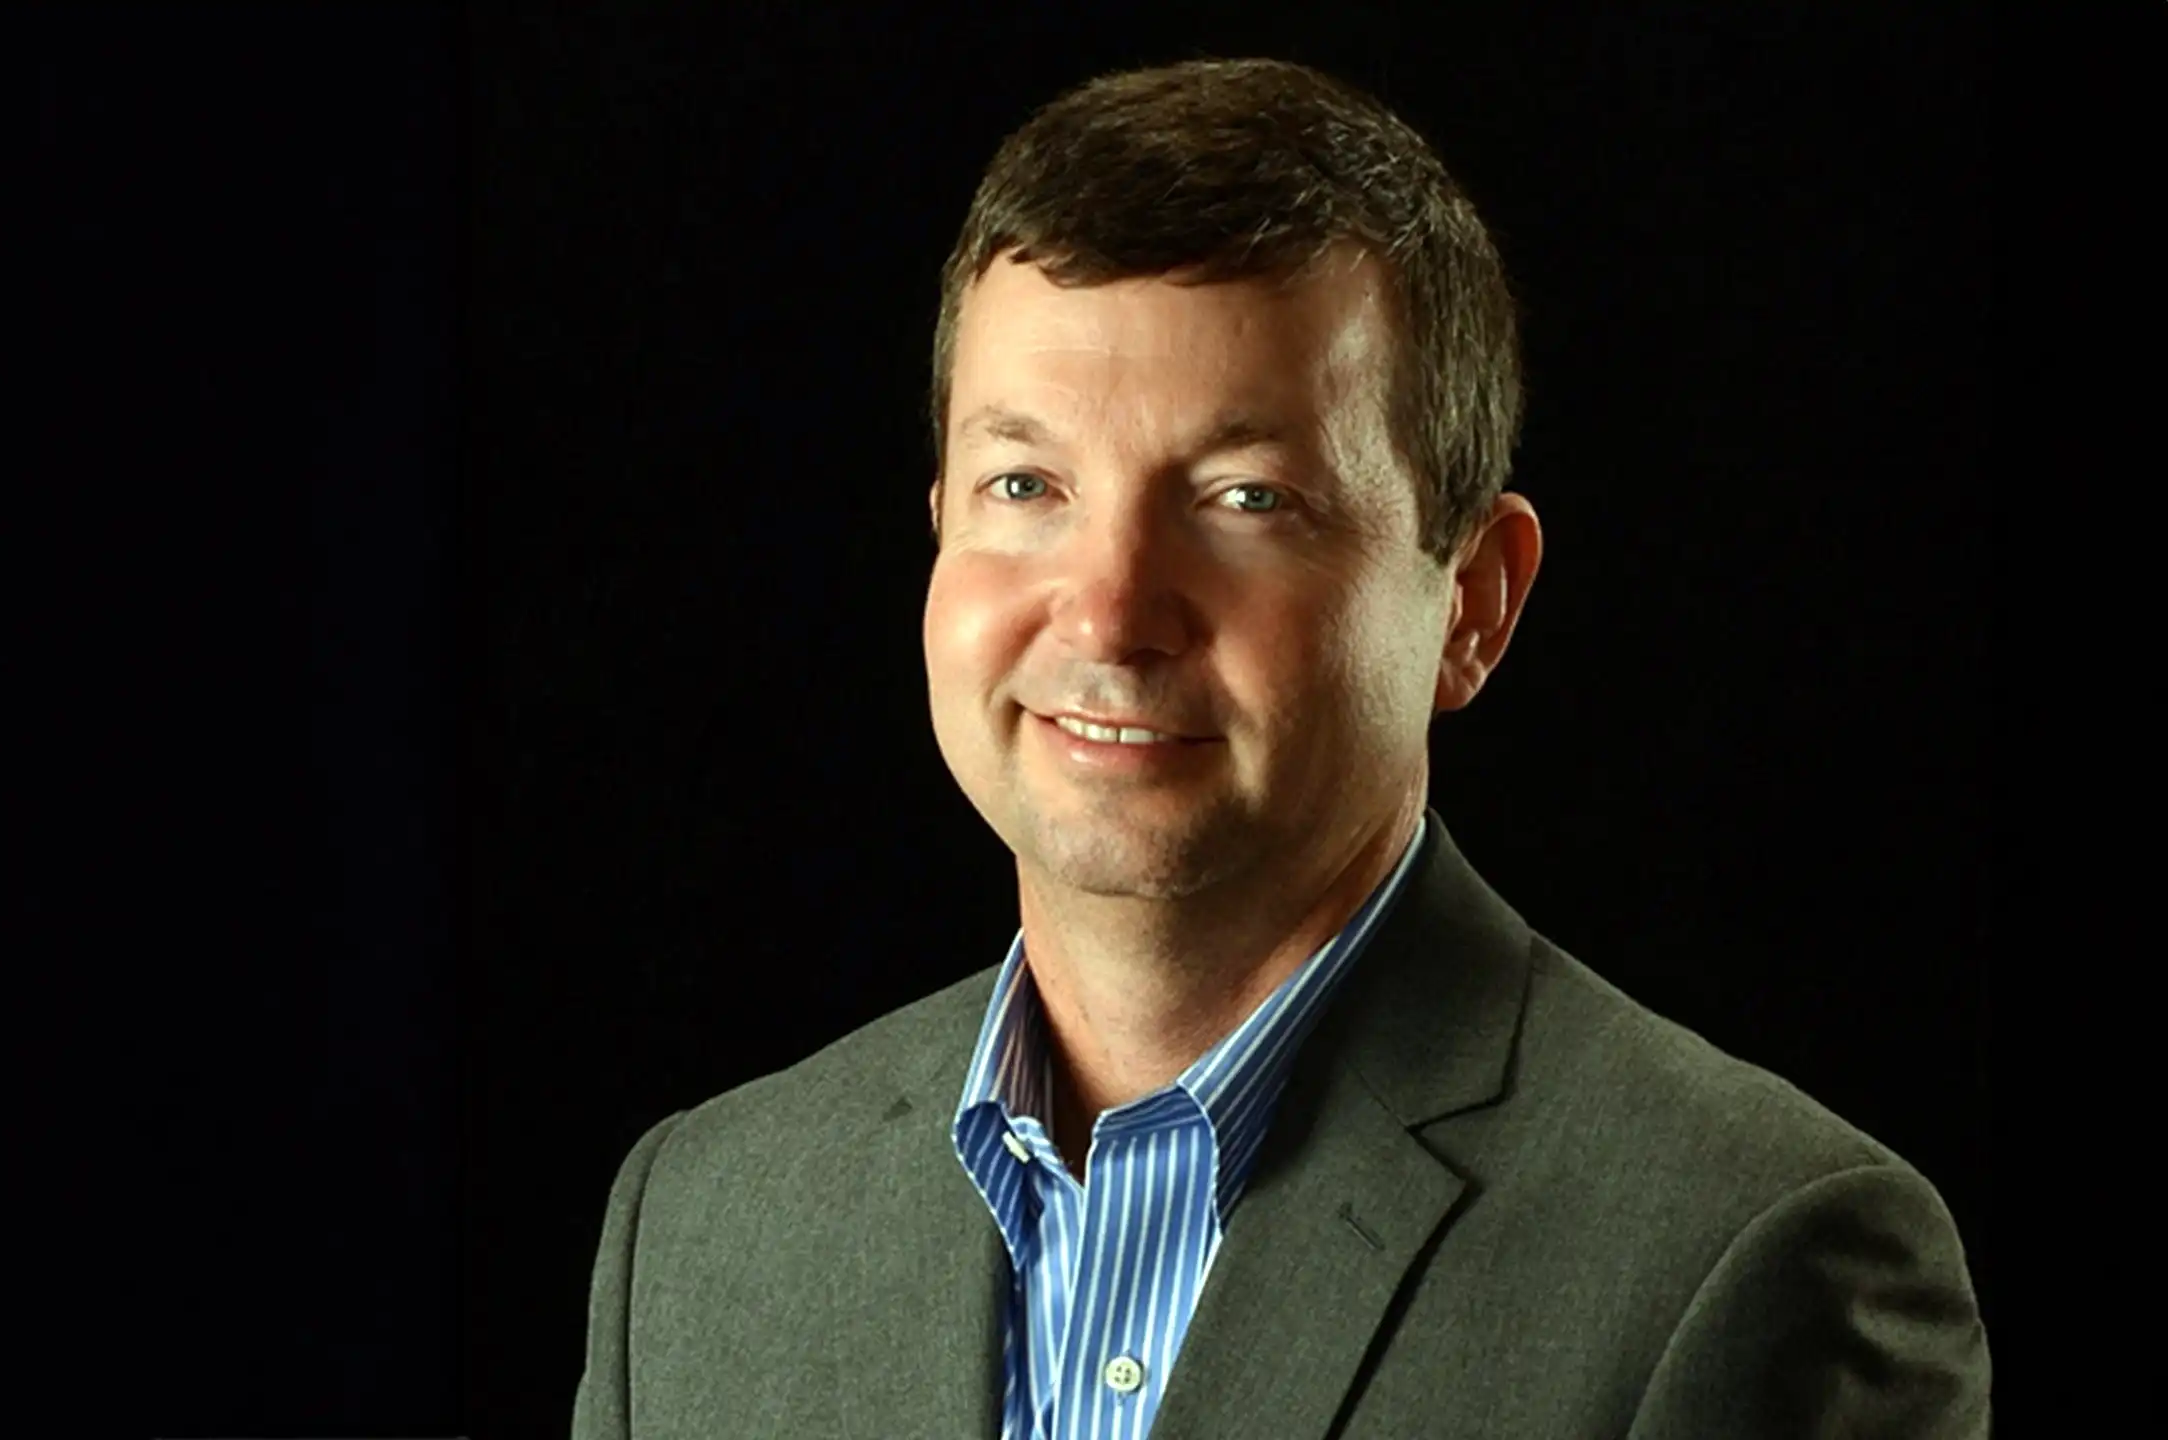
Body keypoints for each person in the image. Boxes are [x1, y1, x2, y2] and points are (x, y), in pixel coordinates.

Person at [570, 57, 1990, 1439]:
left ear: (1472, 605)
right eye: (1027, 484)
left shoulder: (1745, 1259)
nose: (1111, 610)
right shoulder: (701, 1232)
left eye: (1246, 498)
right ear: (940, 522)